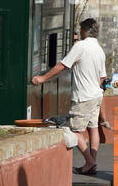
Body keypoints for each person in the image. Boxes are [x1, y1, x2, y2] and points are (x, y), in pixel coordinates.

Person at [33, 17, 107, 174]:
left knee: (74, 130)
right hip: (96, 95)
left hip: (83, 96)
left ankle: (89, 162)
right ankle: (91, 163)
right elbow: (102, 77)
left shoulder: (80, 46)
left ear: (84, 30)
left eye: (80, 30)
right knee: (93, 128)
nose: (79, 32)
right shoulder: (99, 49)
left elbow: (62, 65)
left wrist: (43, 78)